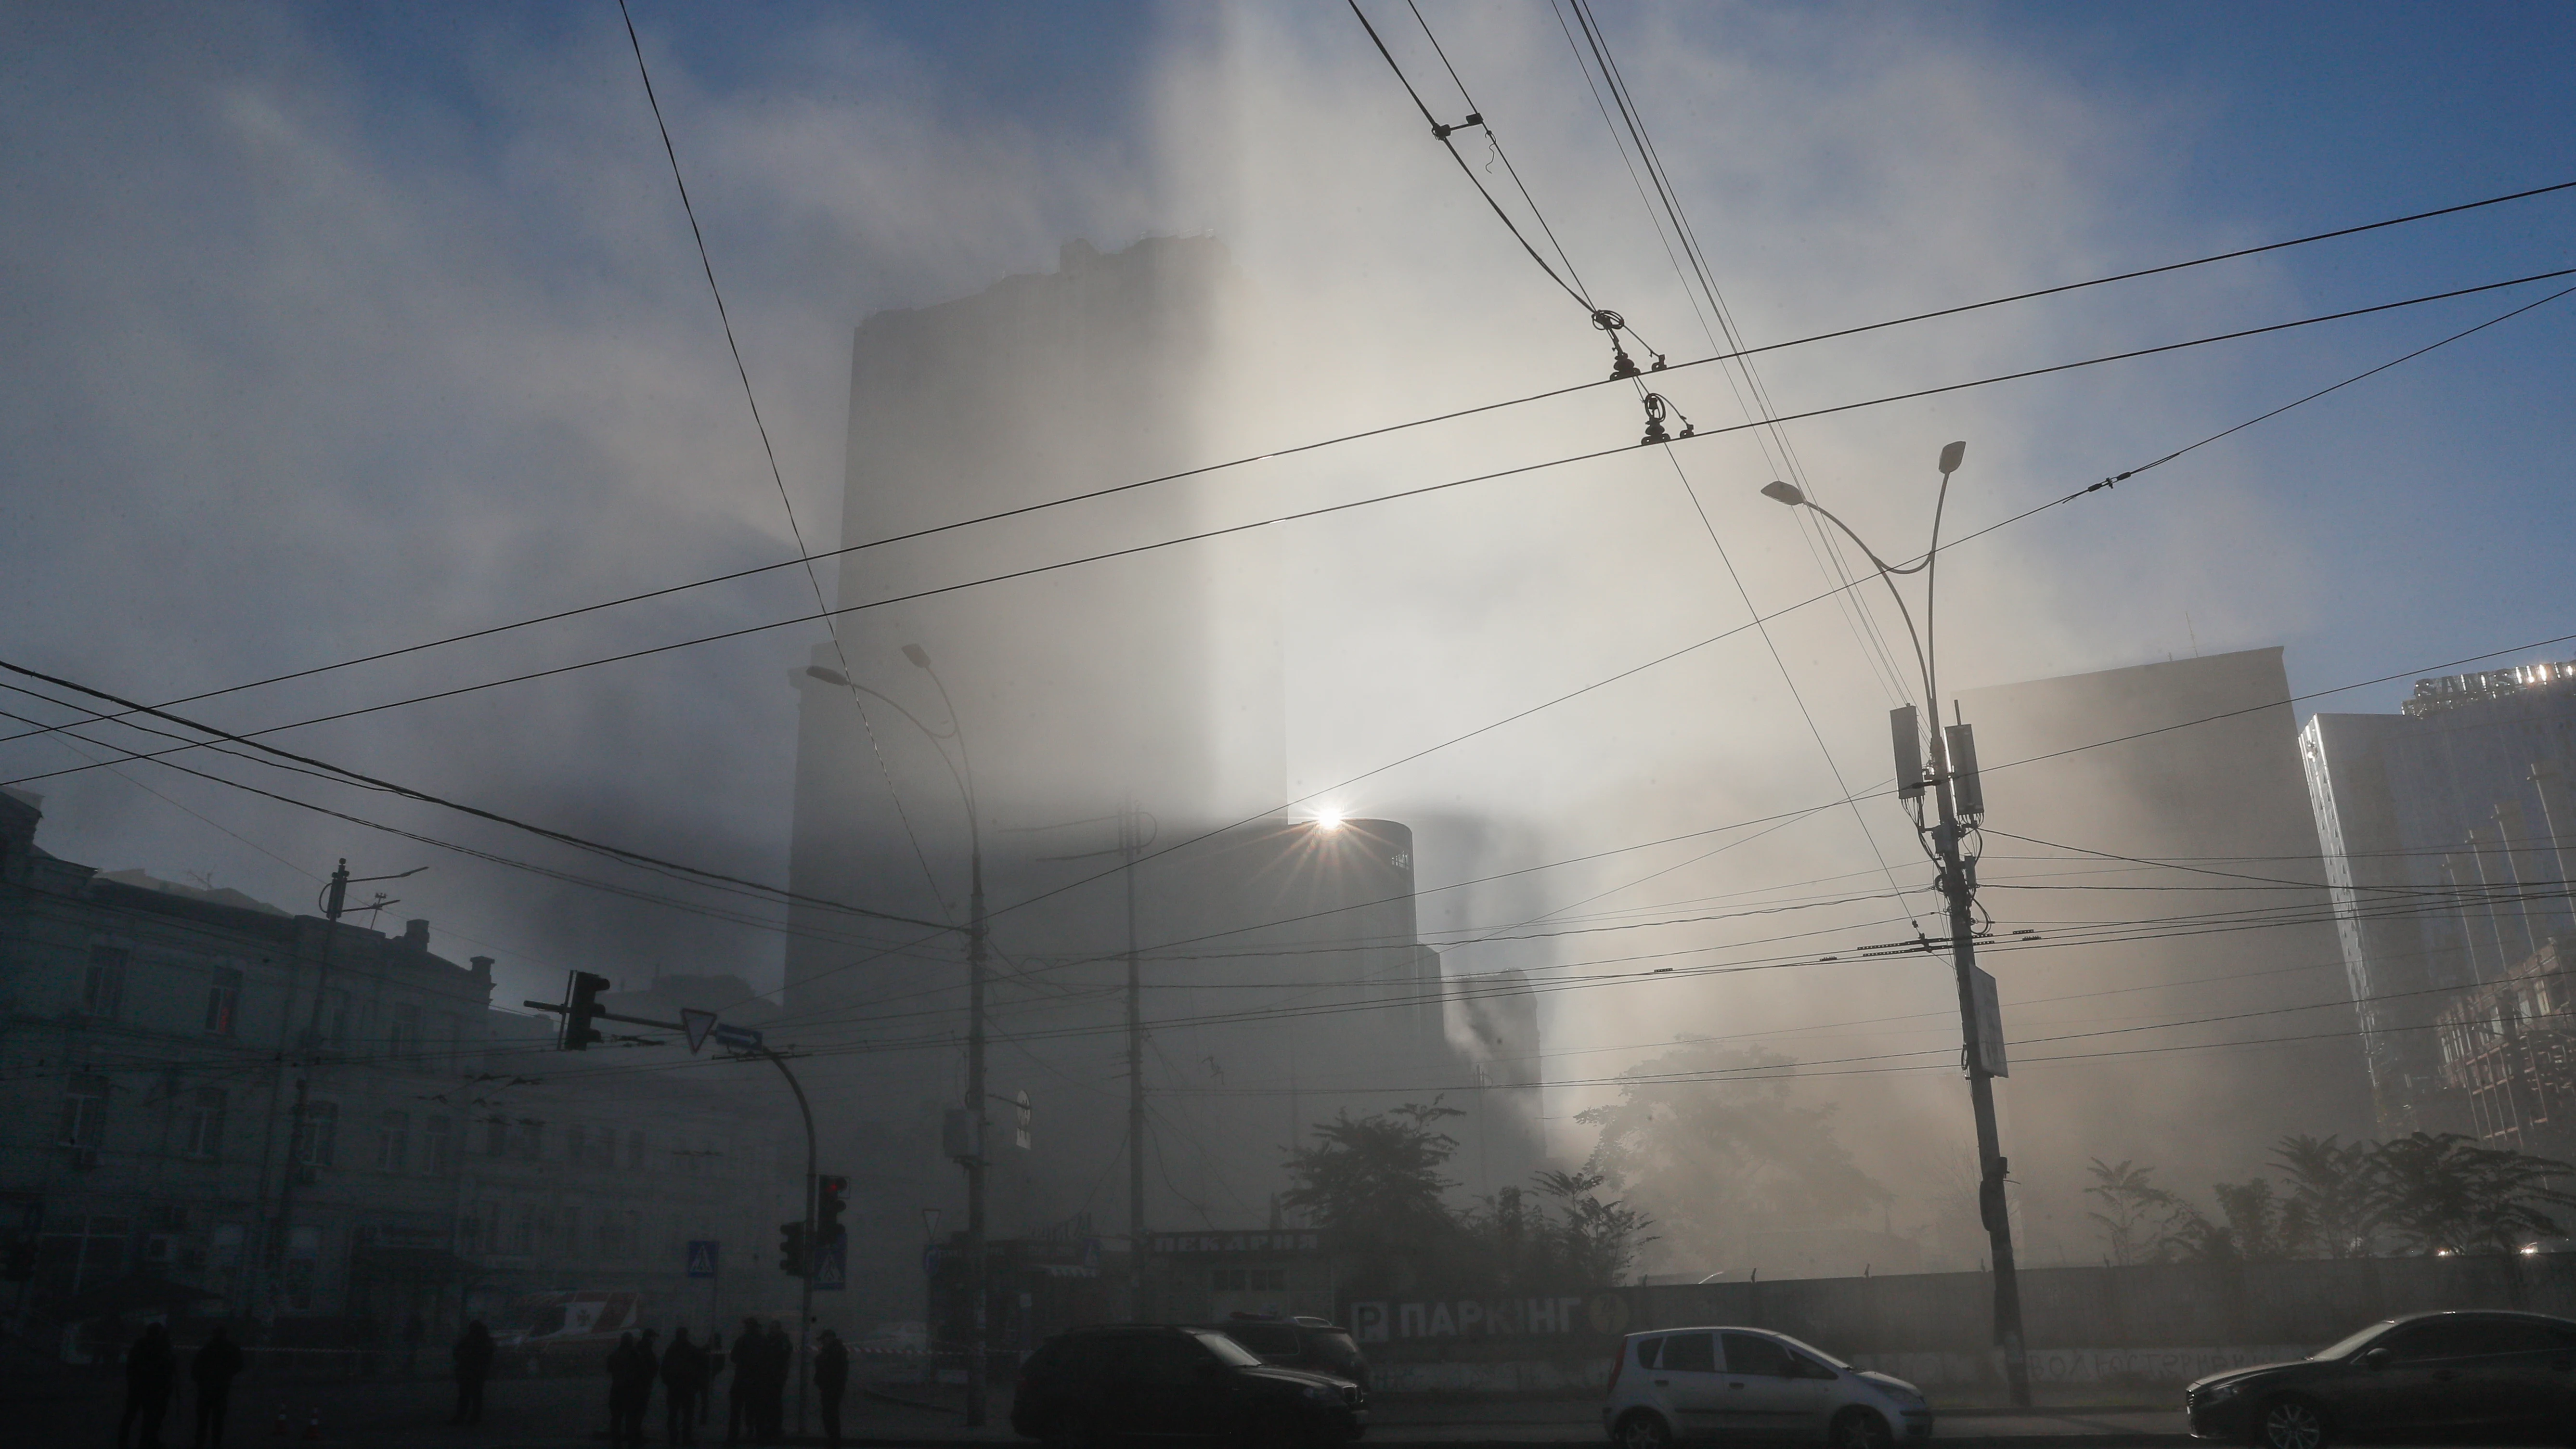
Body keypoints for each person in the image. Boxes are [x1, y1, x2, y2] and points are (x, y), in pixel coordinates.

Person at [118, 1321, 178, 1449]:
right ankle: (145, 1442)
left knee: (134, 1415)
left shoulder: (142, 1344)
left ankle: (125, 1441)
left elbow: (132, 1365)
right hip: (150, 1387)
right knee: (147, 1417)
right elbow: (166, 1366)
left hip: (140, 1386)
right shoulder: (158, 1346)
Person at [189, 1325, 244, 1449]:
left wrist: (200, 1380)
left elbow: (196, 1368)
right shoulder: (230, 1349)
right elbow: (239, 1365)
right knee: (217, 1419)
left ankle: (200, 1443)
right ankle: (215, 1443)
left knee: (203, 1419)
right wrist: (227, 1374)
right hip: (221, 1388)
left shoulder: (208, 1349)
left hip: (207, 1388)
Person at [660, 1328, 702, 1447]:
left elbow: (664, 1369)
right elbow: (699, 1366)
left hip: (675, 1387)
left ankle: (673, 1439)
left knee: (673, 1414)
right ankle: (686, 1439)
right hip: (687, 1387)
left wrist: (668, 1382)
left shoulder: (671, 1350)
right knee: (687, 1415)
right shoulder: (690, 1349)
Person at [725, 1316, 761, 1446]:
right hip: (756, 1380)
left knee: (736, 1411)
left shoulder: (742, 1340)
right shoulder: (762, 1341)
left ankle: (733, 1437)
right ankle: (754, 1433)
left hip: (741, 1379)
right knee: (753, 1409)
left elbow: (734, 1357)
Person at [451, 1320, 495, 1425]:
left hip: (469, 1370)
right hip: (478, 1371)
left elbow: (457, 1352)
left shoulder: (470, 1339)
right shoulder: (485, 1340)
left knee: (465, 1395)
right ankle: (474, 1417)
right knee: (476, 1395)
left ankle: (463, 1416)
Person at [812, 1329, 849, 1449]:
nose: (822, 1342)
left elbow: (831, 1368)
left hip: (833, 1387)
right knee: (829, 1414)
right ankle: (833, 1439)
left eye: (824, 1340)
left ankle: (834, 1440)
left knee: (830, 1414)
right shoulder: (833, 1350)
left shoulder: (836, 1351)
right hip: (830, 1386)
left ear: (829, 1338)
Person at [760, 1320, 791, 1444]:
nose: (771, 1331)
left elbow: (784, 1358)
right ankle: (770, 1427)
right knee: (769, 1402)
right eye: (770, 1329)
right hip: (768, 1376)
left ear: (779, 1329)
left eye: (773, 1329)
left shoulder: (782, 1341)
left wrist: (781, 1374)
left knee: (775, 1402)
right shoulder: (769, 1340)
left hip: (777, 1376)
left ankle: (776, 1428)